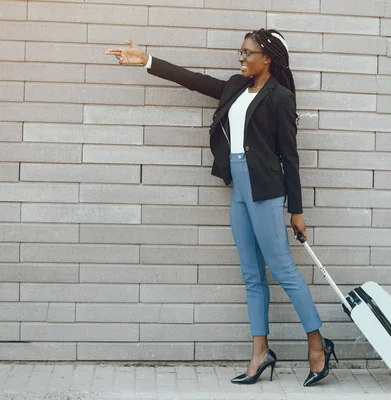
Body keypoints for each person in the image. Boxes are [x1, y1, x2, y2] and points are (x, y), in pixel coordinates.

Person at [105, 29, 337, 387]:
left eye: (248, 53)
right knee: (251, 273)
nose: (241, 58)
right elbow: (195, 81)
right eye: (240, 52)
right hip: (239, 186)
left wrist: (297, 209)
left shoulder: (280, 97)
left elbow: (290, 157)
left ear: (268, 58)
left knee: (283, 269)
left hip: (265, 188)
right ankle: (261, 352)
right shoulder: (235, 87)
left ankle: (317, 346)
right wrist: (146, 60)